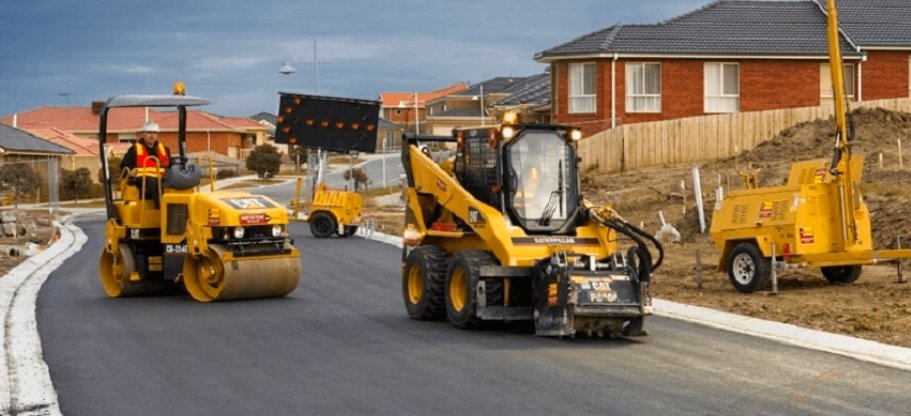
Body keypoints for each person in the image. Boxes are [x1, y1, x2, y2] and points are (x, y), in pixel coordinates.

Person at [120, 121, 171, 208]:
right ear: (143, 134)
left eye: (154, 133)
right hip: (142, 180)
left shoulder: (164, 148)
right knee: (153, 182)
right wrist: (130, 172)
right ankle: (162, 208)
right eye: (149, 133)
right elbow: (123, 166)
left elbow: (170, 164)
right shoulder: (135, 149)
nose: (152, 135)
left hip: (162, 177)